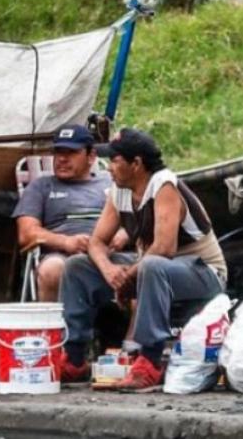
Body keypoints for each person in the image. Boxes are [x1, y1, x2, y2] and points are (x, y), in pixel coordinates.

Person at [59, 127, 227, 390]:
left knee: (152, 264)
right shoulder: (119, 191)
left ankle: (150, 361)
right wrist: (109, 270)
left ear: (136, 164)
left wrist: (128, 275)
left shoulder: (164, 185)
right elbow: (97, 242)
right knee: (77, 266)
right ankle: (74, 356)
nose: (109, 168)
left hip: (203, 273)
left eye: (115, 161)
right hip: (152, 270)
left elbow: (164, 248)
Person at [12, 124, 126, 301]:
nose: (62, 159)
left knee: (146, 268)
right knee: (51, 270)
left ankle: (138, 328)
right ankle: (56, 328)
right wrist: (66, 242)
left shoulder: (111, 184)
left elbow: (140, 220)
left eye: (71, 153)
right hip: (62, 256)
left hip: (111, 254)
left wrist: (124, 234)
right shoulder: (41, 187)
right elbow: (27, 234)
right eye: (58, 152)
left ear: (91, 156)